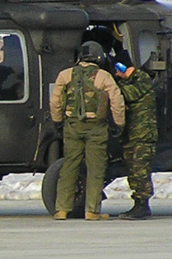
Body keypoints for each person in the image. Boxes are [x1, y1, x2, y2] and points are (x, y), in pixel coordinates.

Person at [50, 41, 126, 220]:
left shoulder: (65, 75)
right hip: (96, 128)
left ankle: (61, 209)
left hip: (72, 126)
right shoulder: (104, 76)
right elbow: (117, 101)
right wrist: (119, 124)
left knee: (69, 166)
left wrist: (58, 121)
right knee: (96, 168)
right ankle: (92, 210)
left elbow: (55, 102)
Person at [115, 58, 157, 219]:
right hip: (132, 135)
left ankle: (143, 205)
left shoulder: (142, 79)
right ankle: (139, 204)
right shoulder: (130, 82)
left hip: (142, 135)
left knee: (140, 170)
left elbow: (128, 94)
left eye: (118, 69)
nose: (116, 74)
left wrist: (111, 87)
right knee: (133, 170)